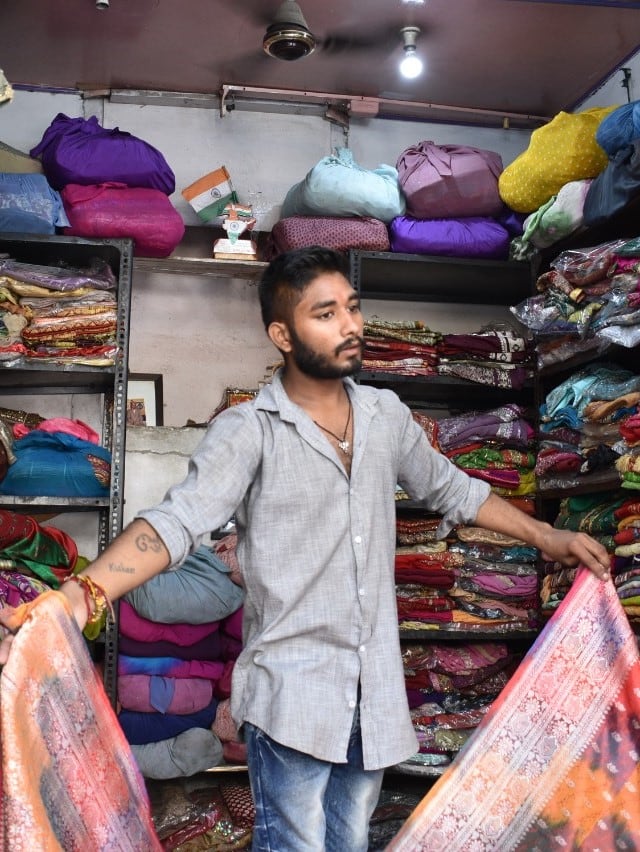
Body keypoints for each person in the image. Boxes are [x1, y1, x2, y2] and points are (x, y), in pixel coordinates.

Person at [0, 246, 611, 852]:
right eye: (324, 314)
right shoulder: (249, 430)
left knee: (349, 843)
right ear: (282, 333)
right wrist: (84, 592)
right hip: (291, 697)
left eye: (352, 307)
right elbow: (177, 520)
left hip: (370, 694)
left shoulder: (386, 415)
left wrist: (546, 535)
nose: (349, 325)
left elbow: (454, 489)